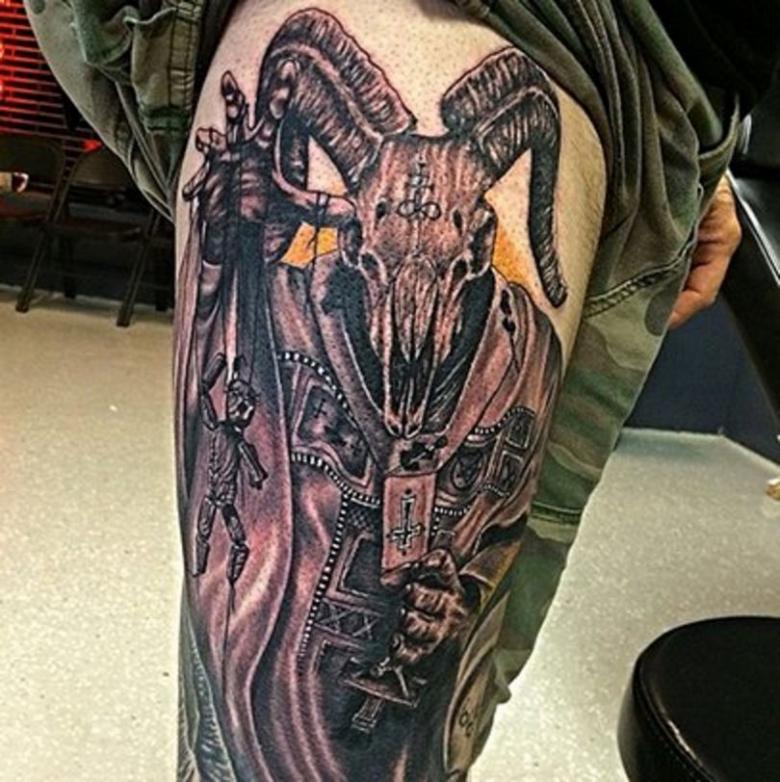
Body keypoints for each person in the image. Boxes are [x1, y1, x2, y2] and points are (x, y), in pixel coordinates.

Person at [22, 1, 778, 779]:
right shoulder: (293, 314)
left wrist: (459, 604)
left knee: (465, 701)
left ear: (480, 244)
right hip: (555, 32)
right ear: (352, 237)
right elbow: (235, 443)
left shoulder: (515, 357)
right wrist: (242, 243)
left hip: (665, 90)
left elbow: (489, 536)